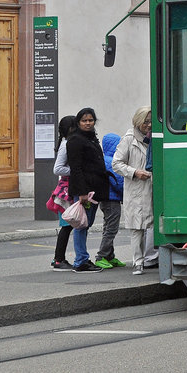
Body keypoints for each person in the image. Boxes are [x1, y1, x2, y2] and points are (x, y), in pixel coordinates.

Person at [112, 107, 158, 274]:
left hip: (152, 188)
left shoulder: (155, 137)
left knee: (153, 224)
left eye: (152, 121)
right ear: (138, 122)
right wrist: (135, 172)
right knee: (137, 228)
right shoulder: (129, 138)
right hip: (137, 188)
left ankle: (151, 258)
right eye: (146, 122)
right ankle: (138, 262)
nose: (149, 125)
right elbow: (116, 164)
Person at [66, 107, 109, 272]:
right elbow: (75, 169)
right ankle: (81, 261)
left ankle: (82, 259)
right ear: (78, 122)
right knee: (81, 225)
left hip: (94, 189)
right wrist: (82, 192)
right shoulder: (75, 140)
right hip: (85, 191)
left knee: (86, 223)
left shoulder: (91, 138)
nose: (88, 123)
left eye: (90, 120)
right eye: (84, 120)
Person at [93, 133, 125, 269]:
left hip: (106, 199)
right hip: (112, 199)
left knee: (108, 227)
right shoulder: (112, 161)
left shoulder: (104, 159)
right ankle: (101, 256)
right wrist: (126, 194)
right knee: (111, 229)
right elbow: (119, 182)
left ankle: (109, 256)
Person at [51, 115, 77, 270]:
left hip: (68, 188)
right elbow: (57, 169)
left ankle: (59, 258)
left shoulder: (68, 143)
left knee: (69, 225)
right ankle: (59, 259)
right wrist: (76, 171)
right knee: (67, 225)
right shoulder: (66, 144)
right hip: (66, 190)